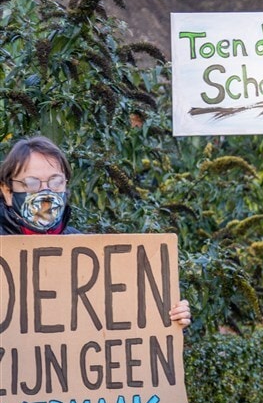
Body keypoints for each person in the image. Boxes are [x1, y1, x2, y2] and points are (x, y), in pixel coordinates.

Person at [0, 135, 191, 327]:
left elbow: (121, 318)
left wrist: (169, 317)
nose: (46, 191)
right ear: (7, 191)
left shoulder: (87, 252)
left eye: (55, 182)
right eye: (32, 183)